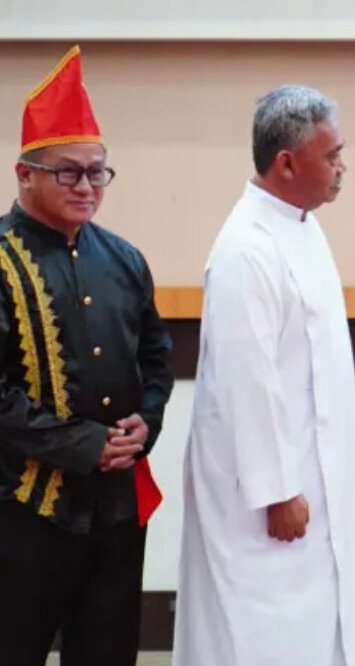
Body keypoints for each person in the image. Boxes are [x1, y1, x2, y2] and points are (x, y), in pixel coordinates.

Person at [173, 85, 355, 666]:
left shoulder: (301, 226)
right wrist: (277, 491)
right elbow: (247, 380)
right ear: (287, 162)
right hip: (266, 494)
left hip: (314, 473)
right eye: (333, 155)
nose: (343, 168)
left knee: (320, 627)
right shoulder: (247, 248)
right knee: (263, 634)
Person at [0, 45, 174, 666]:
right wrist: (81, 443)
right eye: (68, 172)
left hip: (116, 512)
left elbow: (158, 358)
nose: (86, 186)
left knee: (107, 653)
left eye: (97, 172)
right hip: (22, 509)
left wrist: (144, 424)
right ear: (25, 175)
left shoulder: (124, 259)